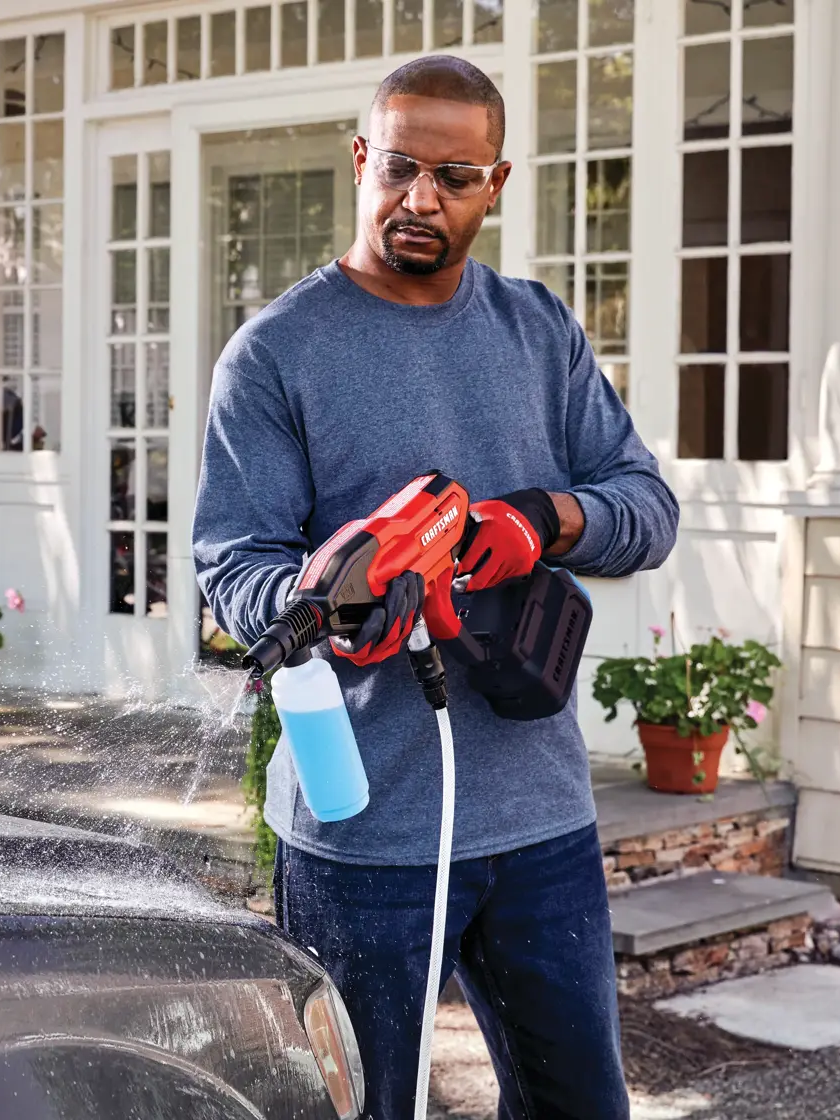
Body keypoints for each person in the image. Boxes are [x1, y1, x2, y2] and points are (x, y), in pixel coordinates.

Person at [193, 56, 677, 1120]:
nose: (422, 198)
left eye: (455, 177)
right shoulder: (276, 354)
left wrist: (536, 520)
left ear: (493, 185)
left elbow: (646, 506)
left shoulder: (537, 329)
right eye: (401, 166)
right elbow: (233, 571)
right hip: (365, 833)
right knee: (367, 1107)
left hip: (541, 819)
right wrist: (339, 589)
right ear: (363, 160)